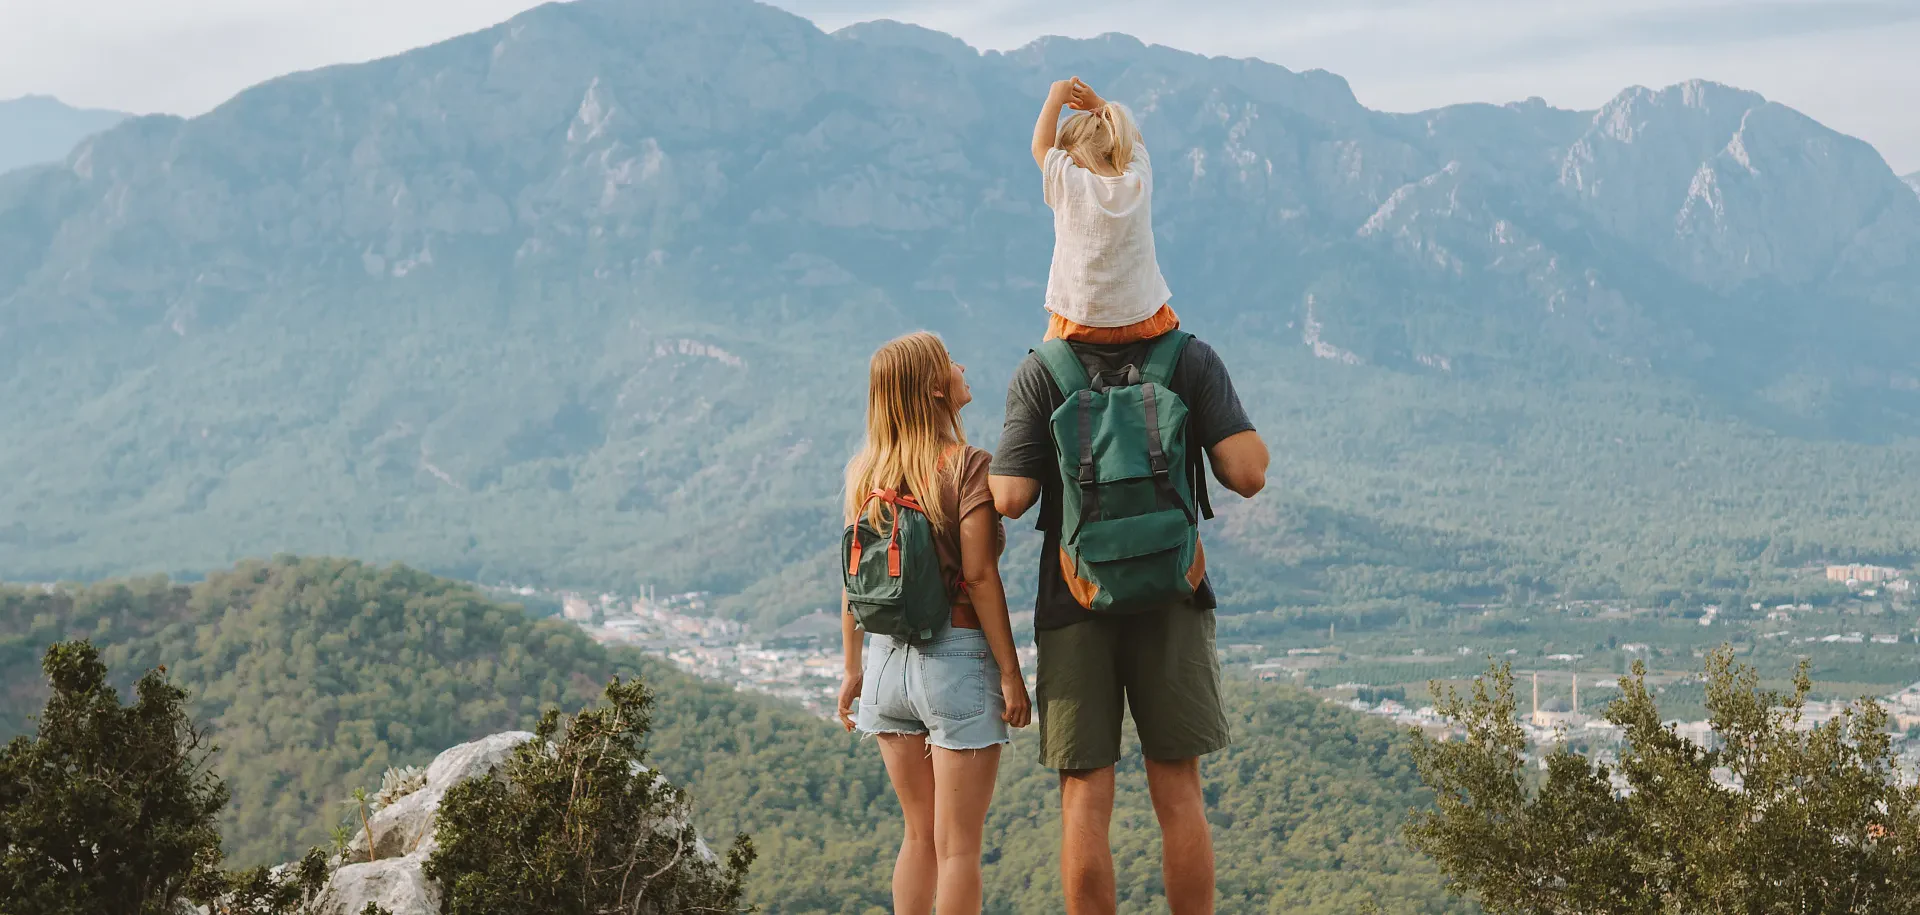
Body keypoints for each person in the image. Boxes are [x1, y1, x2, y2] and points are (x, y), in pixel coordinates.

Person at [988, 78, 1272, 915]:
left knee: (1086, 799)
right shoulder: (1187, 358)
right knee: (1177, 789)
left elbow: (1007, 498)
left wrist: (1050, 101)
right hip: (1173, 596)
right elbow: (1249, 472)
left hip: (1073, 601)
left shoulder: (1044, 373)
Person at [836, 331, 1033, 915]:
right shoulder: (968, 467)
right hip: (956, 662)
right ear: (933, 389)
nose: (962, 366)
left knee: (919, 837)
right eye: (950, 362)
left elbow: (853, 581)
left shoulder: (864, 472)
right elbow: (979, 576)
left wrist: (851, 671)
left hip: (885, 666)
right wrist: (1010, 673)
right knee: (959, 851)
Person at [1033, 76, 1178, 347]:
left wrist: (1055, 98)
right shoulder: (1137, 182)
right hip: (1143, 320)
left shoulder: (1070, 183)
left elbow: (1040, 147)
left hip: (1079, 322)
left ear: (1070, 156)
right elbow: (1137, 142)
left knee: (1045, 358)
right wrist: (1099, 104)